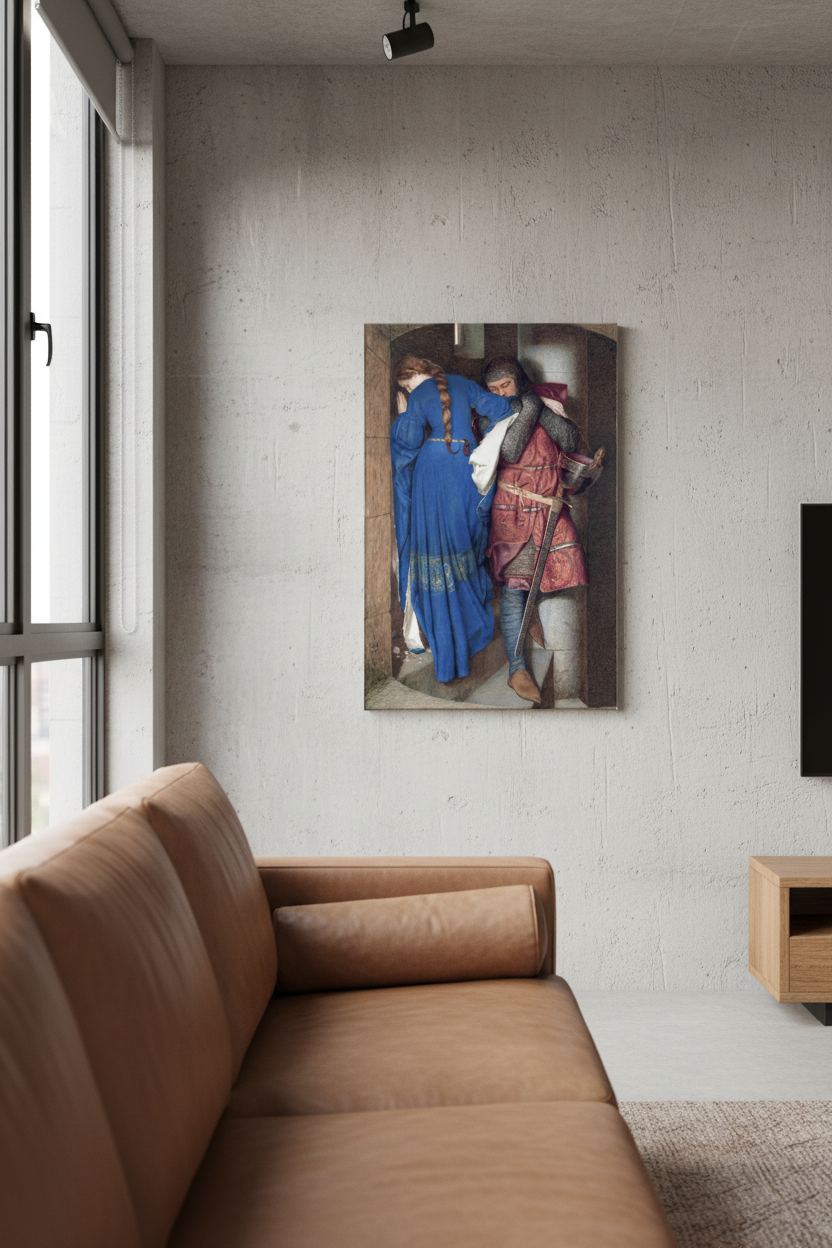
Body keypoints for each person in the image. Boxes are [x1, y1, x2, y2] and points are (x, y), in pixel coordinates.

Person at [390, 355, 525, 684]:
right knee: (464, 539)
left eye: (407, 385)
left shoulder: (418, 396)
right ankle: (467, 619)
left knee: (437, 546)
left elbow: (407, 442)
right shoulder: (464, 384)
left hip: (432, 471)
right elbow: (503, 409)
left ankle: (444, 629)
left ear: (416, 376)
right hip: (464, 469)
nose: (409, 389)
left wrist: (403, 414)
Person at [474, 355, 588, 705]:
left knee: (553, 577)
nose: (499, 393)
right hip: (515, 513)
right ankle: (517, 669)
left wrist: (536, 405)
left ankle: (531, 612)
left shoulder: (543, 403)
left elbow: (569, 439)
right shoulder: (489, 413)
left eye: (505, 385)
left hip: (549, 509)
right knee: (514, 587)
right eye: (493, 388)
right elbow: (510, 448)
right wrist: (527, 409)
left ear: (519, 381)